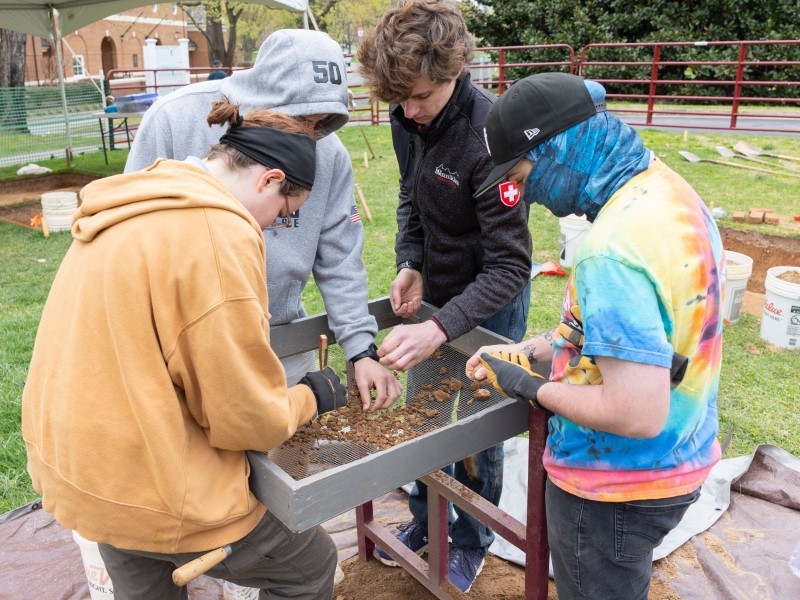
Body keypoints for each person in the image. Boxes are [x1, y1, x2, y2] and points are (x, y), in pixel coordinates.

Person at [22, 101, 350, 600]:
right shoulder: (217, 235)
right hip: (152, 484)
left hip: (82, 472)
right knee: (309, 569)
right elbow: (243, 417)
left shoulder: (138, 202)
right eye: (284, 214)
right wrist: (311, 396)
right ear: (269, 180)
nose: (272, 226)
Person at [467, 72, 725, 600]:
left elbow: (636, 411)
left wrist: (530, 386)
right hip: (679, 457)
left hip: (613, 489)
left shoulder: (610, 250)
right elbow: (639, 341)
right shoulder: (668, 194)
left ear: (559, 147)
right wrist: (531, 350)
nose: (528, 197)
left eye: (522, 175)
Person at [126, 29, 402, 411]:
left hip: (279, 339)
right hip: (181, 348)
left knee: (286, 457)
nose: (306, 134)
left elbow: (340, 258)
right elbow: (131, 238)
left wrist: (361, 350)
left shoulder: (330, 154)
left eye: (321, 120)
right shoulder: (175, 120)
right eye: (299, 117)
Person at [356, 0, 532, 592]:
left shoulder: (492, 135)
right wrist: (411, 262)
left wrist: (442, 328)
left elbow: (512, 266)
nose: (408, 112)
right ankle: (427, 517)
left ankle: (471, 540)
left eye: (420, 98)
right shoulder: (407, 113)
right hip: (433, 297)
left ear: (454, 70)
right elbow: (410, 194)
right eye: (398, 100)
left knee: (478, 432)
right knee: (429, 417)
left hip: (488, 302)